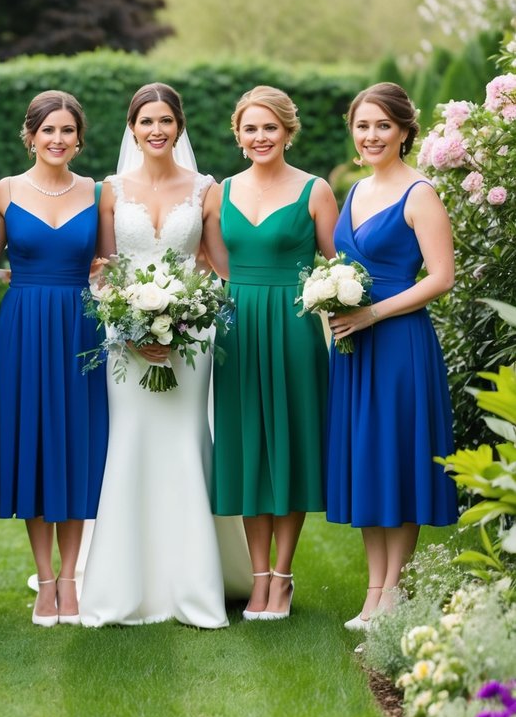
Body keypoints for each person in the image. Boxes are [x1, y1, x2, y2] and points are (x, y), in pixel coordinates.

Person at [80, 82, 230, 628]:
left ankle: (194, 586)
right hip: (126, 343)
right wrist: (126, 322)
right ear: (133, 128)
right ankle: (123, 587)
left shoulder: (206, 190)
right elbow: (103, 268)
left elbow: (219, 269)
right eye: (147, 121)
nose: (157, 129)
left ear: (180, 126)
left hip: (192, 343)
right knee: (132, 443)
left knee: (185, 444)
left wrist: (188, 317)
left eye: (166, 120)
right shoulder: (110, 190)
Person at [326, 83, 458, 630]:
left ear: (404, 131)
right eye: (363, 125)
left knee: (397, 461)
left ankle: (394, 592)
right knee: (368, 462)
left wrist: (373, 315)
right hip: (355, 347)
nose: (372, 135)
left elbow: (442, 277)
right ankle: (374, 592)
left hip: (399, 344)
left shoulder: (421, 193)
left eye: (383, 125)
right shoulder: (355, 192)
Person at [203, 85, 338, 620]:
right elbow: (217, 262)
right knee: (247, 448)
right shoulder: (220, 193)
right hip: (238, 327)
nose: (261, 137)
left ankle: (282, 576)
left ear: (287, 132)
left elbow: (337, 264)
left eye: (270, 128)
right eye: (251, 129)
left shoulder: (315, 190)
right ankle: (257, 576)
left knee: (290, 443)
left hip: (294, 327)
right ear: (238, 135)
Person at [0, 90, 108, 626]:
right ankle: (45, 579)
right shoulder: (4, 191)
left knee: (77, 444)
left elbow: (109, 266)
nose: (58, 140)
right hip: (24, 327)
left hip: (81, 326)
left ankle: (73, 579)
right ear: (29, 135)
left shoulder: (99, 194)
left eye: (67, 131)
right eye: (48, 130)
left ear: (79, 139)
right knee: (32, 444)